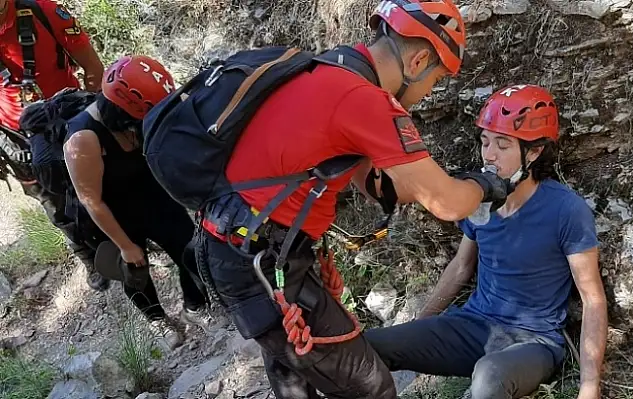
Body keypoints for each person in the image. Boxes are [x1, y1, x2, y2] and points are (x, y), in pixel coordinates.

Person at [194, 1, 515, 398]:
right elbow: (447, 204)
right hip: (261, 263)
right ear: (417, 61)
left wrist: (428, 183)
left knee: (295, 375)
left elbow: (372, 185)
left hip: (239, 247)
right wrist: (482, 185)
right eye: (433, 82)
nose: (426, 95)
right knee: (372, 387)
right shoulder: (366, 100)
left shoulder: (331, 68)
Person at [364, 84, 608, 399]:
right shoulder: (477, 197)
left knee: (489, 376)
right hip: (474, 325)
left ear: (533, 152)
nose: (489, 155)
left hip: (532, 342)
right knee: (369, 345)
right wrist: (420, 324)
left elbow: (593, 299)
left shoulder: (566, 210)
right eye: (485, 142)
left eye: (503, 145)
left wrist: (590, 386)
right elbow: (461, 267)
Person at [62, 55, 223, 349]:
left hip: (152, 194)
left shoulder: (141, 115)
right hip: (111, 210)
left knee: (191, 248)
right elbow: (91, 199)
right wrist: (125, 245)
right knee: (134, 271)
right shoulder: (83, 138)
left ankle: (195, 306)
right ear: (123, 111)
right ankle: (155, 319)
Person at [1, 0, 106, 290]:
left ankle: (130, 231)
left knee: (102, 176)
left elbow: (91, 65)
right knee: (52, 200)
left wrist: (96, 113)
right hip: (16, 132)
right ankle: (87, 253)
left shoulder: (43, 12)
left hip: (67, 112)